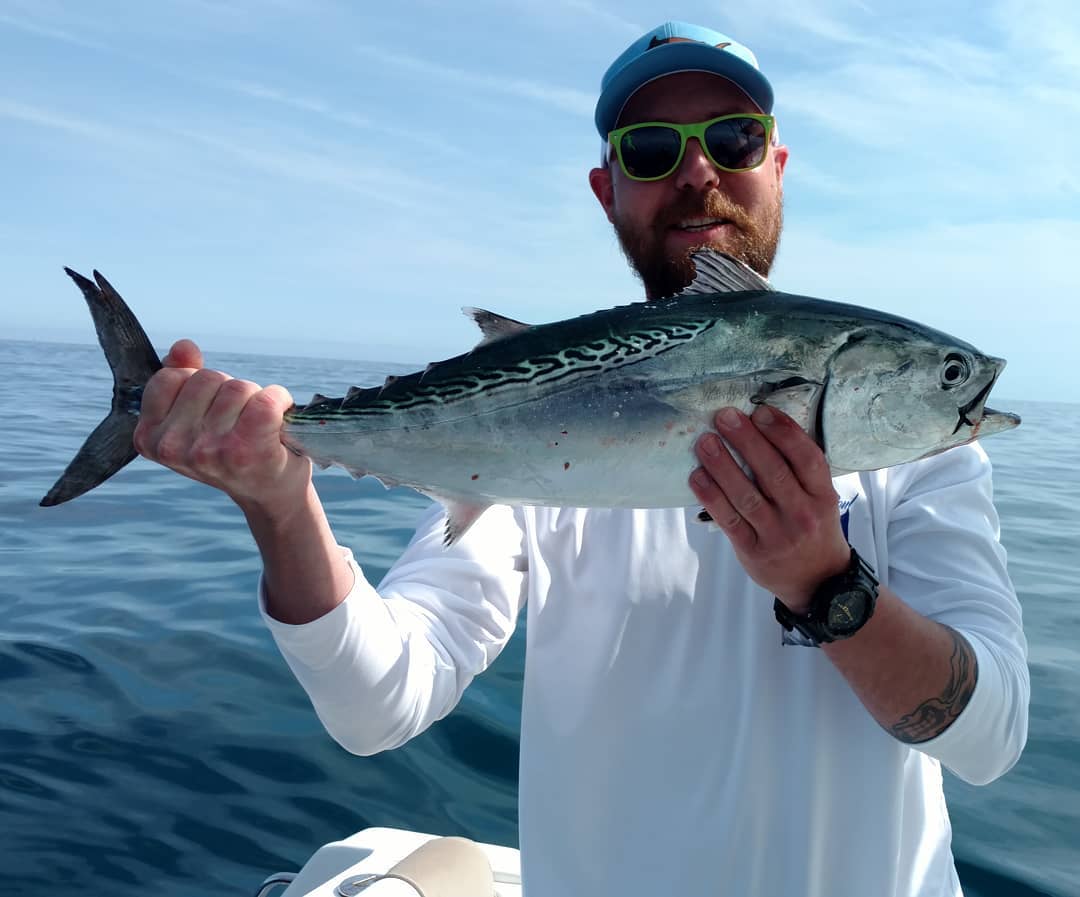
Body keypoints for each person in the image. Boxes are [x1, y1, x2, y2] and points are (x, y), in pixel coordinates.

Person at [132, 21, 1029, 897]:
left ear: (777, 167)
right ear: (607, 190)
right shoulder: (532, 432)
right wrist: (281, 507)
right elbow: (378, 705)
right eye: (650, 150)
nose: (698, 171)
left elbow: (991, 738)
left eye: (733, 137)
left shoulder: (920, 457)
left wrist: (828, 585)